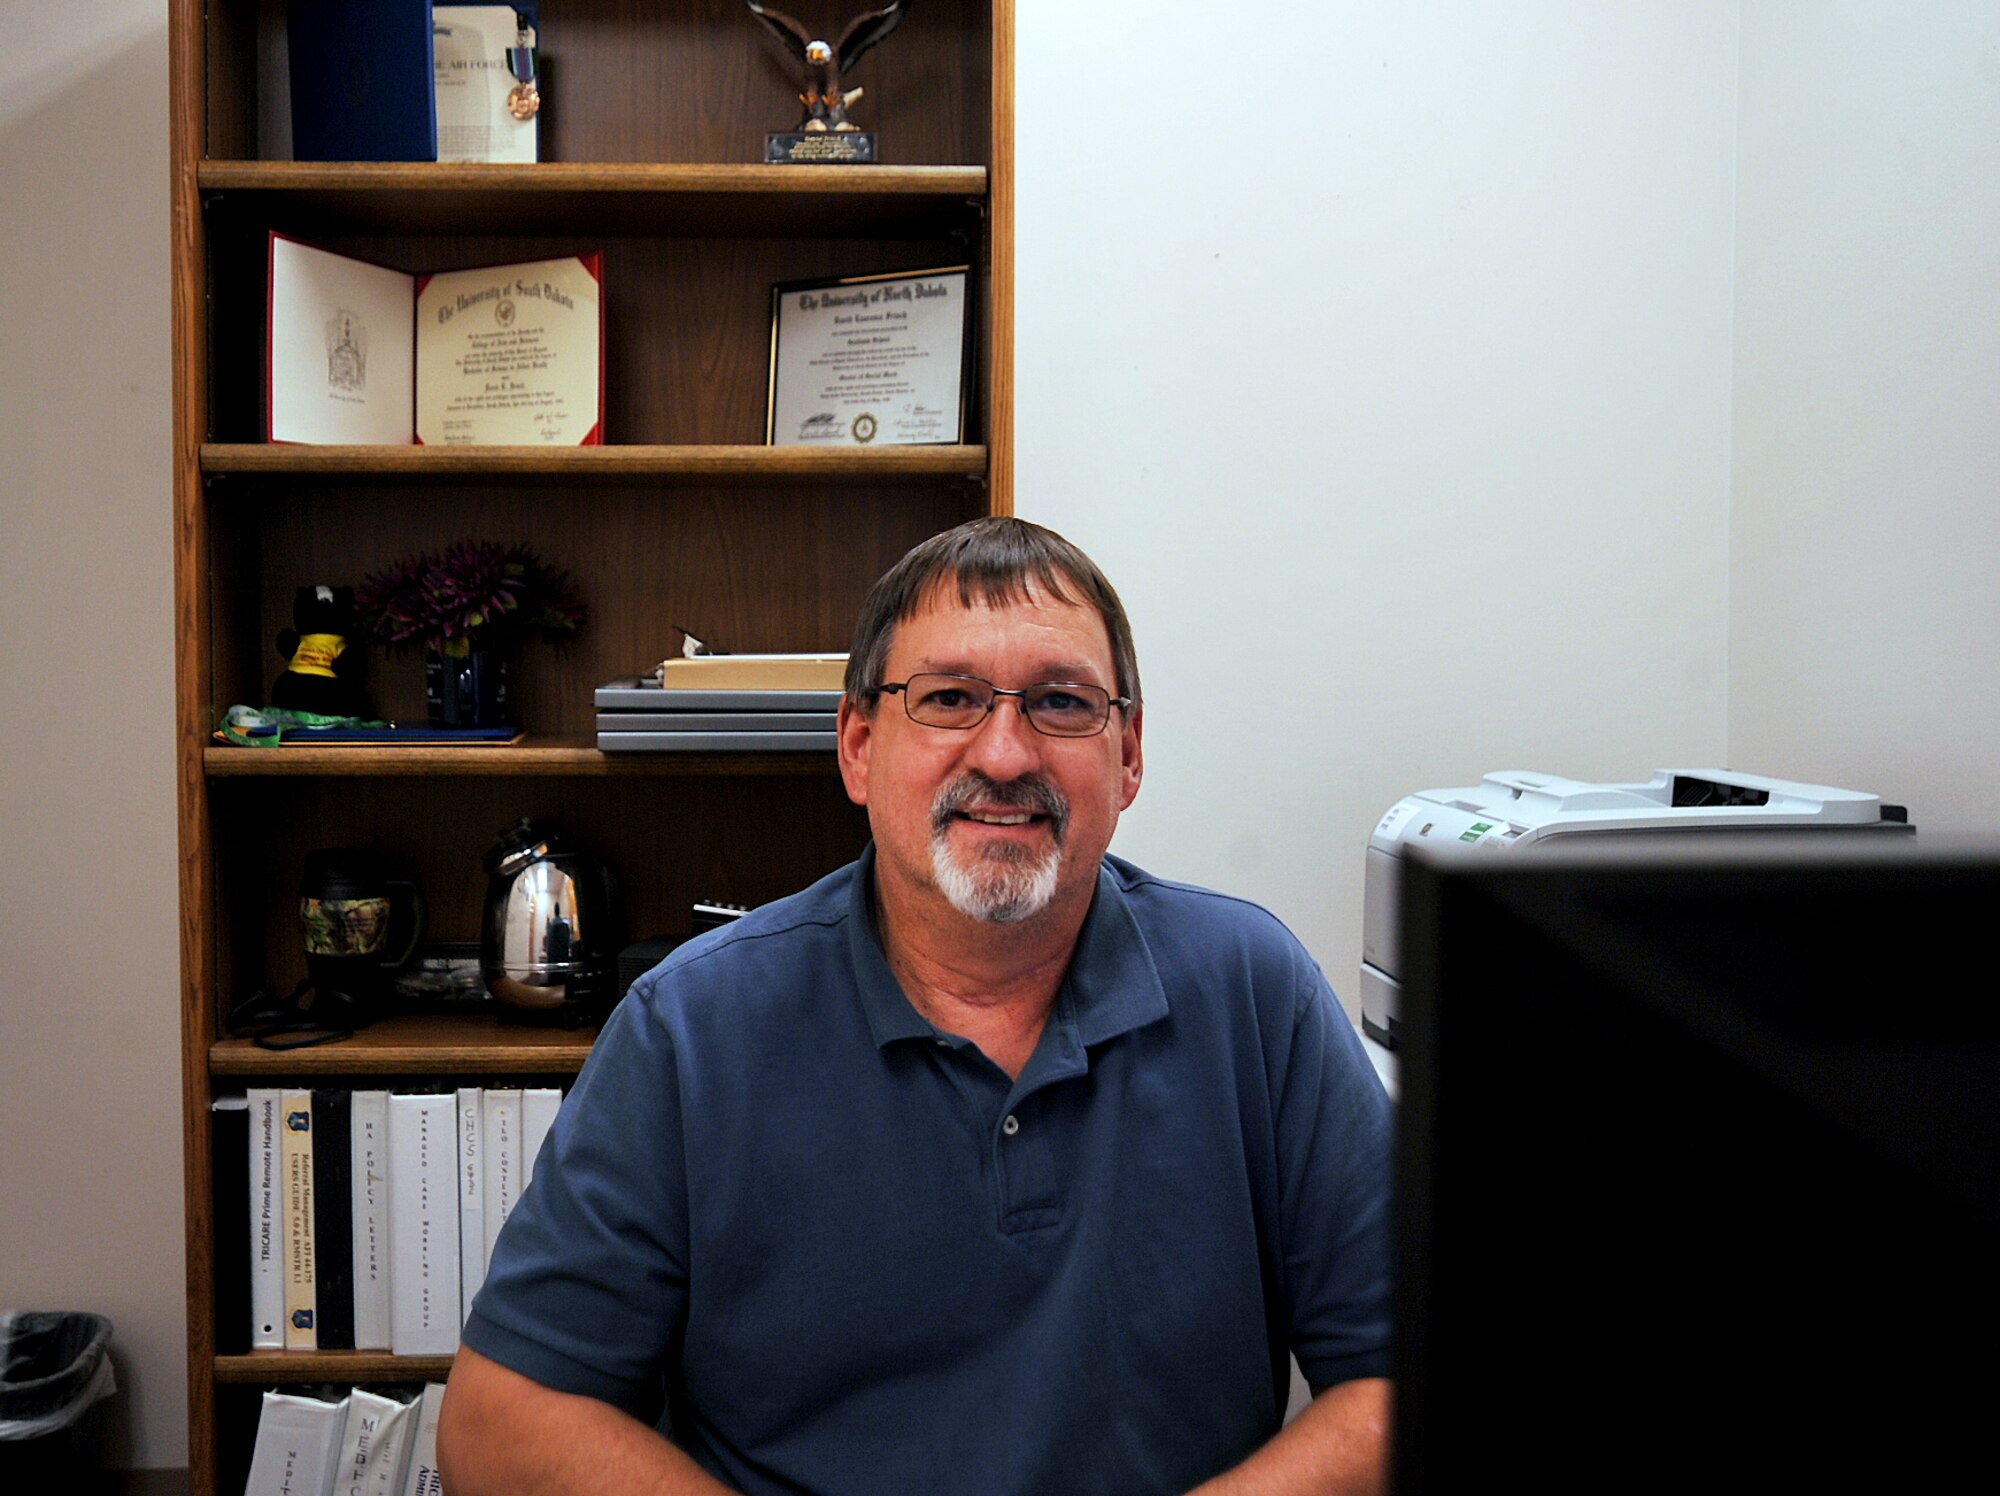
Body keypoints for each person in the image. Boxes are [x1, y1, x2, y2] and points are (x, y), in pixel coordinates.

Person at [438, 517, 1394, 1495]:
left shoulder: (1251, 992)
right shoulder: (690, 1027)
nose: (1007, 751)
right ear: (858, 744)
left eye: (1061, 702)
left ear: (1128, 755)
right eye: (948, 698)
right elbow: (501, 1422)